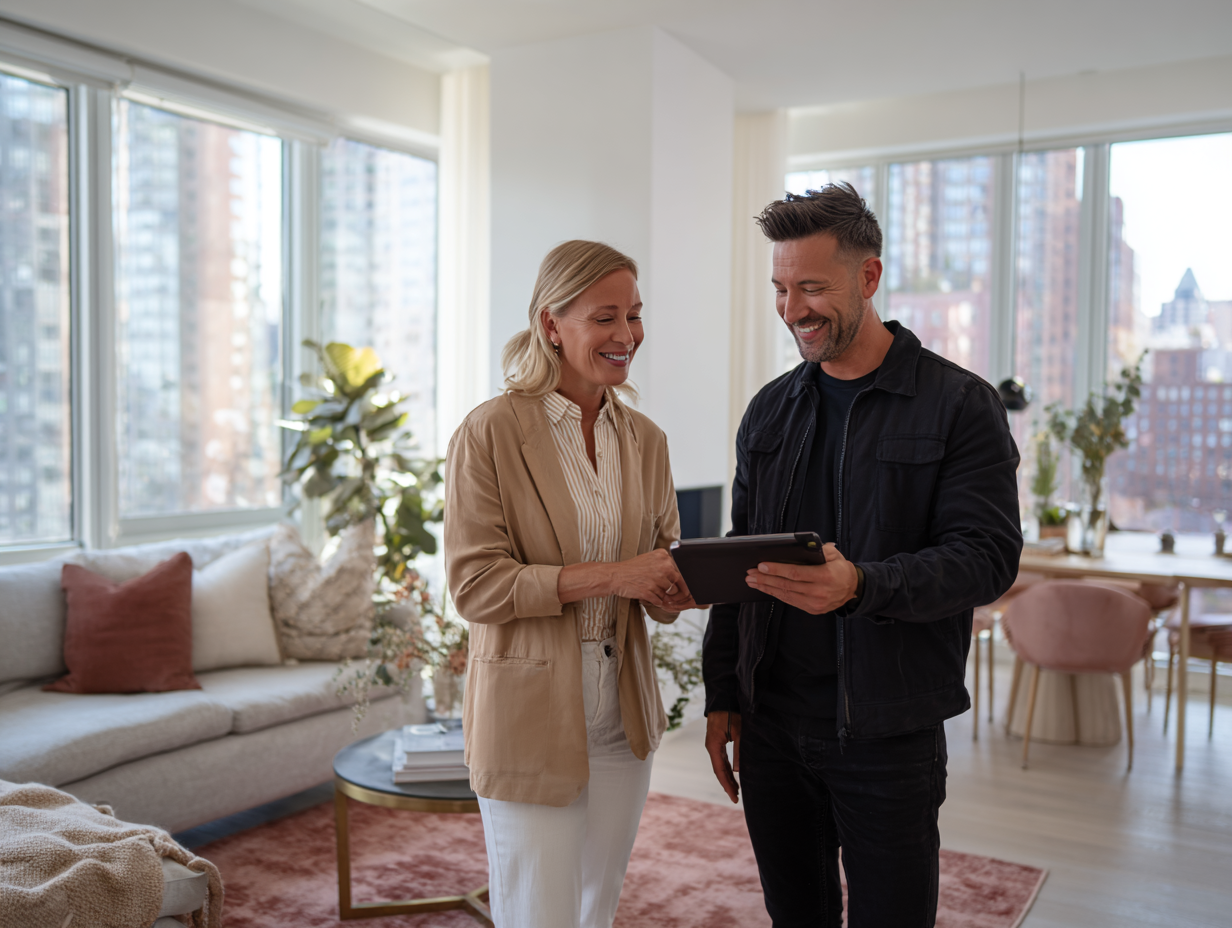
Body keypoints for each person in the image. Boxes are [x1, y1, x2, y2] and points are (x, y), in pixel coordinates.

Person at [702, 183, 1022, 927]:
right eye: (781, 289)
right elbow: (736, 572)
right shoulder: (769, 410)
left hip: (888, 736)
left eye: (812, 288)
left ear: (868, 278)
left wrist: (860, 586)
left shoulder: (960, 404)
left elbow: (987, 558)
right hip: (773, 729)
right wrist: (724, 694)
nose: (793, 310)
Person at [444, 240, 697, 928]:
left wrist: (675, 587)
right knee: (538, 912)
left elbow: (659, 561)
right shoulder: (490, 432)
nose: (627, 336)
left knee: (596, 906)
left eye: (635, 316)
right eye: (605, 318)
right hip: (529, 708)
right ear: (552, 325)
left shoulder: (646, 440)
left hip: (623, 704)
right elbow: (475, 585)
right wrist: (622, 575)